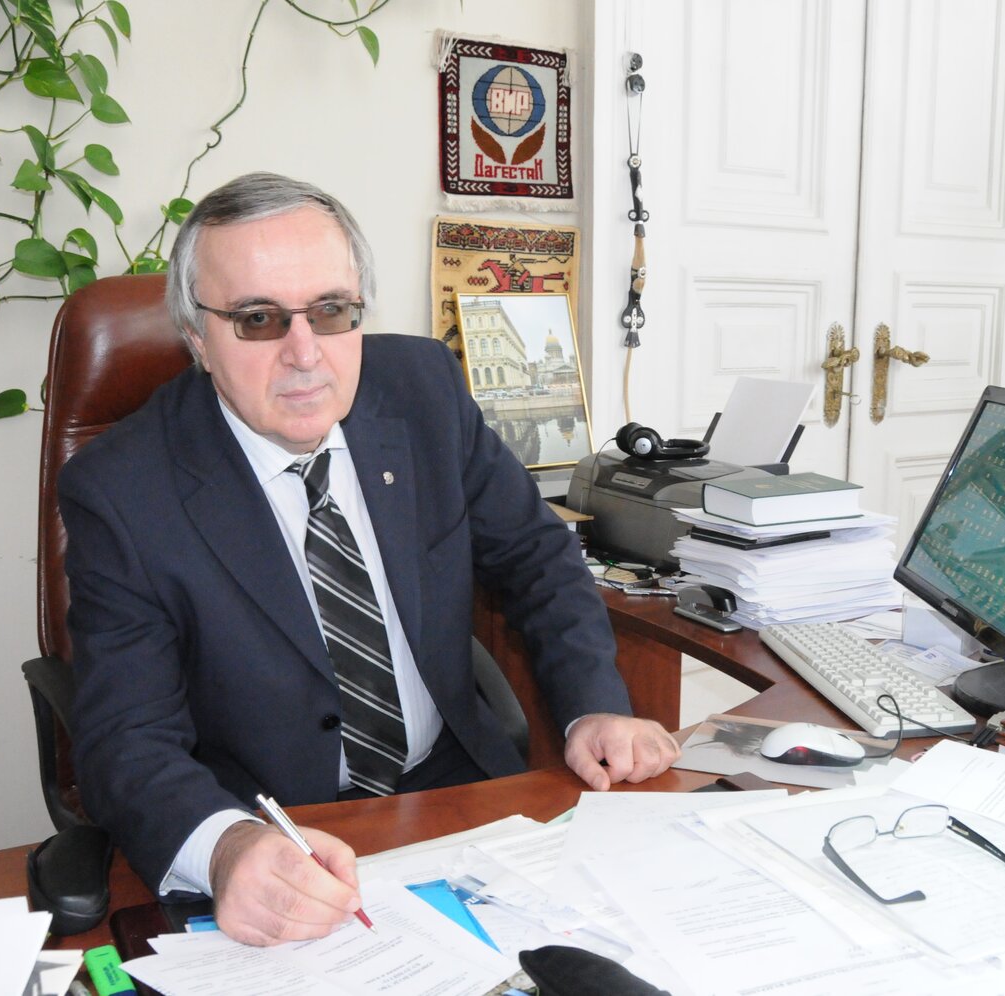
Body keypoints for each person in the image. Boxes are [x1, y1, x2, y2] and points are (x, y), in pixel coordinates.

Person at [58, 172, 680, 946]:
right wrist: (224, 847)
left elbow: (534, 554)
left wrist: (596, 704)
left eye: (331, 310)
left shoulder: (421, 390)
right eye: (257, 319)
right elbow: (126, 735)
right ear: (196, 338)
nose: (304, 353)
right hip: (276, 827)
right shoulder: (123, 490)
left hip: (454, 795)